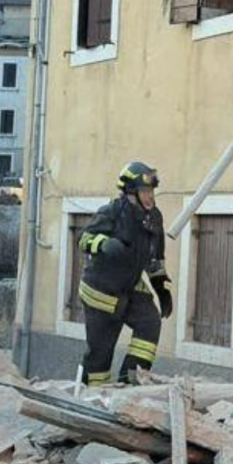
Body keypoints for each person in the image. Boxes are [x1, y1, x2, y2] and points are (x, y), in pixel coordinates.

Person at [76, 161, 173, 387]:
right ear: (131, 193)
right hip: (101, 291)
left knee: (150, 323)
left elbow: (156, 259)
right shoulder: (111, 212)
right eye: (144, 191)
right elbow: (83, 239)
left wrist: (161, 288)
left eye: (151, 191)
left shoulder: (154, 217)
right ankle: (93, 395)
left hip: (130, 286)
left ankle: (130, 382)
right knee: (100, 354)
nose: (150, 196)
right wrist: (104, 244)